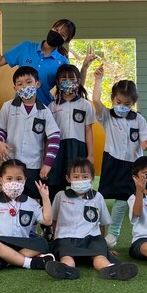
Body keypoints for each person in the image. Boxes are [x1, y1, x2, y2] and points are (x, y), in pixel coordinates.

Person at [45, 158, 139, 281]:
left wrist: (104, 247)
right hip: (66, 238)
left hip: (92, 238)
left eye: (85, 177)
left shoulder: (98, 197)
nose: (80, 180)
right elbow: (54, 220)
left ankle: (110, 269)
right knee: (66, 257)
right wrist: (55, 237)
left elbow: (102, 223)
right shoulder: (61, 196)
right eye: (76, 177)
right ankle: (67, 269)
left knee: (100, 257)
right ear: (68, 178)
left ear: (92, 178)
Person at [92, 64, 147, 248]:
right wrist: (98, 79)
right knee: (102, 197)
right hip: (112, 161)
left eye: (127, 104)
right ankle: (97, 235)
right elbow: (95, 100)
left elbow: (146, 138)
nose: (122, 107)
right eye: (119, 102)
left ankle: (114, 233)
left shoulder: (138, 119)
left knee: (124, 199)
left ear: (133, 104)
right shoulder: (107, 116)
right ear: (113, 99)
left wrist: (146, 143)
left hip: (133, 165)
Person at [0, 159, 55, 271]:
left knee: (42, 243)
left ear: (25, 180)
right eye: (9, 179)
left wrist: (45, 197)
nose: (14, 183)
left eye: (19, 179)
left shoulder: (31, 203)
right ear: (1, 180)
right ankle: (29, 263)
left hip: (22, 242)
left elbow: (47, 221)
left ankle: (4, 260)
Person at [0, 18, 93, 106]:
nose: (56, 34)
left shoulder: (62, 62)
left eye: (62, 34)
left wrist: (84, 68)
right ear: (51, 28)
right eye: (56, 29)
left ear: (66, 41)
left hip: (44, 108)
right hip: (20, 107)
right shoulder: (26, 47)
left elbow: (73, 88)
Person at [0, 66, 60, 200]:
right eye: (20, 84)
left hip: (33, 166)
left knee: (32, 202)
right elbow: (0, 129)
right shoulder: (8, 106)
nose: (24, 86)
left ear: (37, 84)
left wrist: (47, 164)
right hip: (10, 162)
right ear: (15, 88)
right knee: (6, 199)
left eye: (29, 82)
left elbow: (54, 137)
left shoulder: (44, 111)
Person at [48, 64, 95, 201]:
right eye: (64, 79)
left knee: (79, 182)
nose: (68, 82)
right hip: (57, 149)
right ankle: (53, 213)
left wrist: (90, 155)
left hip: (78, 148)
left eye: (72, 79)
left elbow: (88, 130)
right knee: (56, 184)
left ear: (78, 81)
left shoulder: (85, 105)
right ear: (58, 83)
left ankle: (80, 211)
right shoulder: (52, 106)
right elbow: (48, 135)